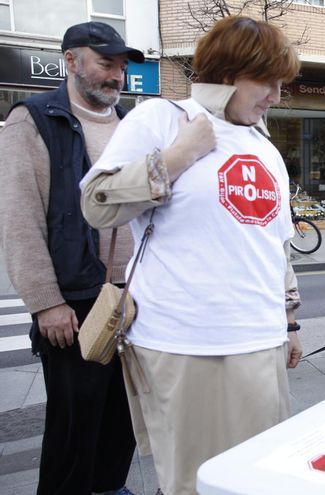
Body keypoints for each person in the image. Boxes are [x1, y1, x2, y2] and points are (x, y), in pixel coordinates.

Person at [79, 16, 302, 494]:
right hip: (186, 341)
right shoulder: (161, 118)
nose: (276, 97)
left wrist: (290, 321)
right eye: (266, 81)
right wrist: (179, 156)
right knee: (194, 480)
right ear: (226, 73)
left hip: (260, 341)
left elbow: (274, 242)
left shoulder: (265, 146)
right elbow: (97, 205)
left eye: (282, 84)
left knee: (257, 477)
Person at [0, 21, 142, 495]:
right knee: (74, 423)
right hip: (74, 299)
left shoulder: (129, 123)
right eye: (106, 64)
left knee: (123, 416)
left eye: (121, 67)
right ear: (71, 61)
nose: (115, 76)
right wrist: (45, 302)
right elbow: (19, 218)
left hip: (133, 295)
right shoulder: (36, 119)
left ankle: (109, 488)